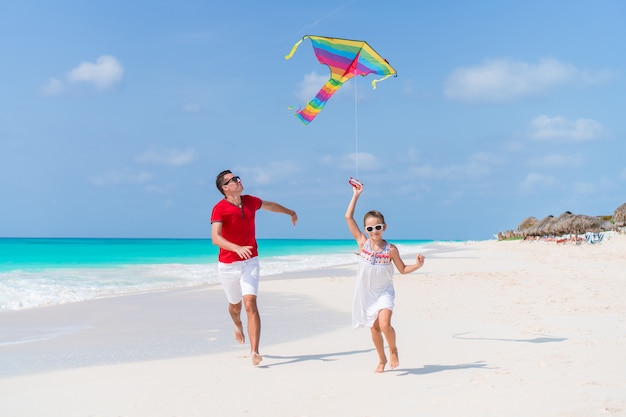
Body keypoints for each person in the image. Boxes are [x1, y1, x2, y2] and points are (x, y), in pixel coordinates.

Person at [211, 170, 298, 366]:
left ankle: (255, 351)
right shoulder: (220, 209)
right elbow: (215, 237)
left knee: (250, 303)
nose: (238, 180)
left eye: (237, 177)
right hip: (228, 265)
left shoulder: (250, 201)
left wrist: (290, 212)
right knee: (235, 306)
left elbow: (270, 206)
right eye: (233, 180)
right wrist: (235, 248)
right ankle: (237, 323)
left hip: (250, 261)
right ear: (225, 188)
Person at [345, 182, 425, 373]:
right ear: (365, 230)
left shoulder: (391, 249)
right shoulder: (362, 243)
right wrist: (356, 195)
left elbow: (403, 269)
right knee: (374, 330)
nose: (374, 232)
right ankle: (381, 359)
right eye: (370, 228)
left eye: (378, 227)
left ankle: (394, 349)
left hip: (384, 293)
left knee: (384, 324)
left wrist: (418, 265)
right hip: (367, 295)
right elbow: (348, 217)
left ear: (384, 227)